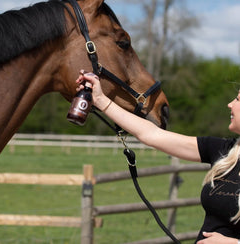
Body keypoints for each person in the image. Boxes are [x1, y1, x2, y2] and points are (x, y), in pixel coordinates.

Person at [76, 70, 240, 244]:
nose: (230, 104)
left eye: (237, 99)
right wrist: (100, 99)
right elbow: (151, 134)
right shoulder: (224, 151)